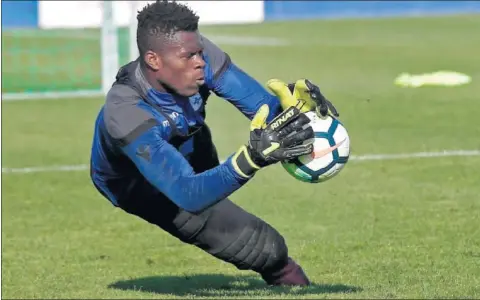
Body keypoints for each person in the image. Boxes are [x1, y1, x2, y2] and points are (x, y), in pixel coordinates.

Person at [90, 0, 338, 286]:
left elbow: (263, 108)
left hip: (192, 141)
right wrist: (251, 159)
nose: (199, 61)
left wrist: (296, 112)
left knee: (217, 192)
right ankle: (288, 278)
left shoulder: (197, 54)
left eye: (199, 52)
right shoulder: (125, 112)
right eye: (189, 56)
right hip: (137, 182)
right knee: (265, 248)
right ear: (153, 60)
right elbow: (188, 195)